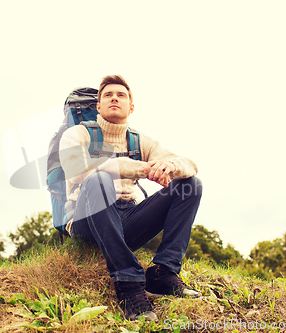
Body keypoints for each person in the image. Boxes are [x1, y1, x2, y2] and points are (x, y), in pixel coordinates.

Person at [59, 75, 202, 321]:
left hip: (127, 218)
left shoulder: (140, 140)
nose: (115, 98)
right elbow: (78, 170)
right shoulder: (77, 135)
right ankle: (129, 283)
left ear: (131, 107)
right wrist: (143, 168)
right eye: (108, 95)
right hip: (88, 221)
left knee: (191, 185)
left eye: (121, 95)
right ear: (99, 106)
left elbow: (189, 164)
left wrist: (167, 166)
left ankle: (163, 272)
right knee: (99, 178)